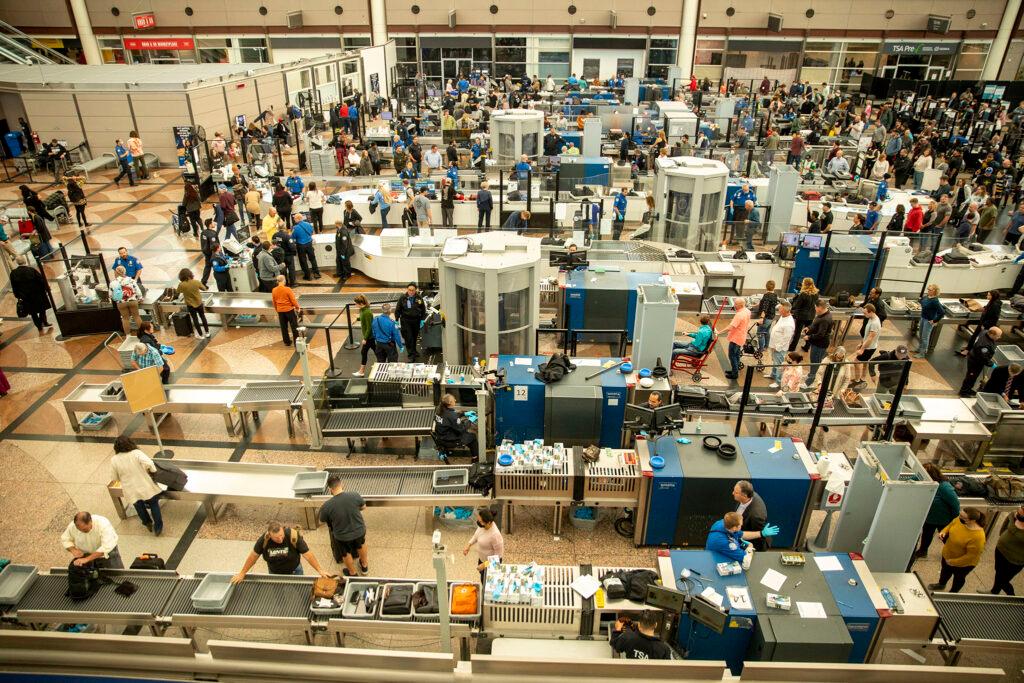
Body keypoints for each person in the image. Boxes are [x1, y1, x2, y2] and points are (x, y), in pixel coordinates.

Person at [232, 521, 330, 581]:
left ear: (283, 530)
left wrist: (320, 570)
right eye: (276, 538)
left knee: (301, 591)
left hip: (295, 571)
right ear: (269, 535)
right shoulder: (264, 540)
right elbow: (253, 556)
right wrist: (242, 573)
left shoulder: (292, 535)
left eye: (281, 536)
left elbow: (307, 554)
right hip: (274, 572)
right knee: (278, 593)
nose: (280, 539)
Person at [110, 436, 163, 536]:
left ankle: (147, 523)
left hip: (130, 489)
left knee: (139, 507)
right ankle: (158, 528)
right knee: (153, 504)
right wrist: (153, 471)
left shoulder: (114, 460)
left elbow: (114, 478)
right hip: (144, 485)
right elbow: (150, 464)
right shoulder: (136, 453)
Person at [319, 474, 369, 577]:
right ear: (342, 485)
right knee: (361, 544)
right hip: (359, 530)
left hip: (342, 536)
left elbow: (321, 521)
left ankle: (352, 573)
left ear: (330, 489)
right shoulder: (354, 495)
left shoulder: (327, 506)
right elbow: (363, 507)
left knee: (345, 553)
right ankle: (364, 566)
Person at [929, 507, 986, 593]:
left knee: (958, 578)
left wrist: (953, 562)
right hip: (948, 555)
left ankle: (953, 592)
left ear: (972, 520)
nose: (959, 518)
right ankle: (941, 584)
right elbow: (951, 524)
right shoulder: (960, 520)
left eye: (963, 517)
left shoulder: (978, 537)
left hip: (963, 564)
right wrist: (943, 532)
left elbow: (970, 556)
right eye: (960, 515)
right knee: (945, 572)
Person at [915, 463, 960, 560]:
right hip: (929, 517)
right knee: (926, 535)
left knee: (945, 537)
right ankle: (923, 551)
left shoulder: (944, 487)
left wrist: (955, 520)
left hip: (943, 519)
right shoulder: (924, 480)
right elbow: (915, 478)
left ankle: (952, 553)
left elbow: (955, 503)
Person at [985, 505, 1024, 595]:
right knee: (998, 572)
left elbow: (1015, 531)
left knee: (1003, 580)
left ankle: (1011, 596)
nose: (1020, 510)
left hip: (1014, 560)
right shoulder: (1014, 515)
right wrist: (1002, 535)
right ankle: (994, 591)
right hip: (1000, 550)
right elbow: (1005, 524)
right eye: (1022, 508)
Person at [10, 255, 51, 331]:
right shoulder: (31, 270)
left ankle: (39, 326)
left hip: (25, 297)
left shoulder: (13, 273)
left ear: (17, 263)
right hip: (37, 294)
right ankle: (44, 322)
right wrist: (46, 289)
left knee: (33, 312)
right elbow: (41, 281)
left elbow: (14, 286)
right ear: (24, 260)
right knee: (42, 309)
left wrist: (18, 296)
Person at [733, 480, 778, 551]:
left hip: (752, 543)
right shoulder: (749, 494)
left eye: (736, 493)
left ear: (744, 495)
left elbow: (758, 537)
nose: (733, 493)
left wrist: (749, 548)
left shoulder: (756, 515)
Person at [610, 611, 675, 660]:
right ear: (655, 625)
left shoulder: (627, 637)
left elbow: (614, 644)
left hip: (630, 674)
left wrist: (618, 629)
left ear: (638, 624)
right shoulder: (664, 649)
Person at [434, 393, 479, 461]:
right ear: (449, 402)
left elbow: (449, 417)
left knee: (466, 434)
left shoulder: (439, 409)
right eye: (453, 400)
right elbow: (461, 429)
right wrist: (470, 420)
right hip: (449, 440)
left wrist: (464, 413)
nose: (455, 400)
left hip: (440, 437)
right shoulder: (452, 415)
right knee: (472, 437)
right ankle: (475, 459)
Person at [463, 507, 503, 581]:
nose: (478, 523)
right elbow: (476, 536)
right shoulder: (482, 526)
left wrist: (485, 565)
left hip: (491, 564)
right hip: (482, 559)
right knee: (482, 578)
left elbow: (498, 557)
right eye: (478, 520)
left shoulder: (495, 536)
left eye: (480, 521)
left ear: (489, 523)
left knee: (488, 582)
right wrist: (468, 545)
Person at [960, 327, 1002, 397]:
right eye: (998, 336)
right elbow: (983, 358)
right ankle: (964, 391)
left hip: (977, 360)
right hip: (975, 362)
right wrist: (991, 364)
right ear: (991, 334)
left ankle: (968, 389)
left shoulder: (985, 332)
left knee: (974, 377)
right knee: (970, 377)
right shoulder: (984, 345)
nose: (999, 337)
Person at [958, 290, 1001, 357]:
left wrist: (984, 325)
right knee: (974, 336)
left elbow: (994, 318)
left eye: (989, 295)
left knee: (976, 337)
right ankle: (968, 348)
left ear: (993, 296)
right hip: (983, 322)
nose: (987, 296)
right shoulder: (992, 302)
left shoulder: (995, 305)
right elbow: (987, 308)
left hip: (985, 324)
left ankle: (968, 350)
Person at [802, 299, 833, 388]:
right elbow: (815, 324)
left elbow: (820, 334)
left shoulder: (825, 319)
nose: (815, 309)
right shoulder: (821, 315)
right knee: (813, 360)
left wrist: (809, 337)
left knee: (815, 362)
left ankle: (809, 382)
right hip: (816, 343)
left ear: (820, 308)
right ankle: (810, 375)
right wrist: (809, 327)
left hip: (820, 345)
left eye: (815, 307)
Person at [395, 283, 427, 362]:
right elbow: (398, 309)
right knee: (408, 338)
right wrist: (396, 320)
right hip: (406, 321)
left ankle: (414, 351)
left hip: (416, 321)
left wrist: (422, 319)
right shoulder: (403, 298)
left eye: (413, 290)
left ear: (415, 290)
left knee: (414, 337)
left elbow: (423, 309)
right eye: (409, 290)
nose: (411, 292)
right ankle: (411, 355)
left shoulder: (419, 298)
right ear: (407, 289)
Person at [850, 303, 881, 387]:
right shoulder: (871, 318)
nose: (864, 315)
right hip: (869, 346)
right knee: (865, 362)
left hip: (869, 348)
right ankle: (863, 378)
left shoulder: (875, 323)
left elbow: (870, 338)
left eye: (865, 313)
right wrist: (861, 342)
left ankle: (857, 380)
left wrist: (862, 349)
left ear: (871, 312)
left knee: (856, 362)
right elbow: (867, 335)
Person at [766, 302, 795, 388]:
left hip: (779, 348)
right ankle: (773, 374)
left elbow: (786, 339)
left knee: (779, 364)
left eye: (780, 309)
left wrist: (777, 347)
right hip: (774, 345)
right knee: (775, 362)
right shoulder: (783, 317)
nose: (778, 310)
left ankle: (778, 381)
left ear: (785, 311)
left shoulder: (789, 324)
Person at [177, 268, 210, 339]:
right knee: (203, 317)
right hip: (199, 303)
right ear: (190, 274)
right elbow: (204, 289)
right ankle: (207, 332)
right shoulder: (196, 282)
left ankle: (200, 335)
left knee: (195, 319)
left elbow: (178, 291)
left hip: (190, 305)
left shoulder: (181, 285)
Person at [723, 297, 750, 380]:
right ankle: (735, 370)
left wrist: (719, 332)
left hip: (736, 338)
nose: (734, 305)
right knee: (737, 355)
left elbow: (730, 327)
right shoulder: (747, 311)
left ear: (741, 305)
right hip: (741, 336)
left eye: (736, 304)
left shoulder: (739, 315)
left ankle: (734, 374)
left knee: (732, 356)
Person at [113, 265, 143, 336]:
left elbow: (111, 295)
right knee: (136, 316)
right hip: (132, 301)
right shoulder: (131, 280)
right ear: (125, 271)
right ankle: (143, 333)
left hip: (121, 303)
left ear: (116, 273)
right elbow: (138, 291)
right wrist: (140, 298)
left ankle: (128, 335)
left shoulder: (113, 283)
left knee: (125, 318)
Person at [272, 275, 301, 347]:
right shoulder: (287, 289)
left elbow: (274, 301)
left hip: (280, 311)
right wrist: (297, 307)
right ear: (284, 280)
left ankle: (287, 342)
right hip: (289, 310)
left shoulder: (274, 290)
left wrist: (277, 309)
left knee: (283, 327)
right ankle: (296, 343)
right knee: (294, 327)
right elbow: (293, 300)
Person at [790, 278, 818, 351]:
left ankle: (792, 347)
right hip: (811, 315)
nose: (802, 284)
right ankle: (807, 347)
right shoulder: (816, 293)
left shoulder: (803, 294)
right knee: (808, 331)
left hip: (801, 316)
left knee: (797, 332)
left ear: (805, 284)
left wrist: (795, 299)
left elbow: (796, 306)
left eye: (803, 282)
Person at [916, 284, 944, 358]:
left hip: (928, 321)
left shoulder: (935, 301)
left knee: (925, 337)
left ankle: (922, 353)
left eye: (930, 290)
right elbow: (922, 301)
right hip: (923, 318)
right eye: (928, 289)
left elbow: (942, 312)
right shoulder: (927, 297)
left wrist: (934, 321)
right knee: (921, 334)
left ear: (935, 291)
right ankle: (919, 348)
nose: (928, 291)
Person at [291, 213, 321, 280]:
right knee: (312, 259)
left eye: (294, 218)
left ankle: (307, 276)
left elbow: (293, 237)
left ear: (298, 219)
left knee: (303, 261)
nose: (294, 219)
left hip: (301, 245)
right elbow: (311, 232)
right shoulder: (308, 224)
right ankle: (316, 273)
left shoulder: (295, 228)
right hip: (309, 243)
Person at [352, 294, 375, 377]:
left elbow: (370, 327)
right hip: (369, 336)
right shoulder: (362, 310)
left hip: (369, 336)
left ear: (361, 303)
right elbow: (363, 318)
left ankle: (361, 371)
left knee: (364, 352)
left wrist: (365, 338)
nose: (355, 305)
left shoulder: (367, 312)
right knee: (377, 351)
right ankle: (380, 363)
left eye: (356, 303)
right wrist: (357, 319)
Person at [754, 281, 778, 352]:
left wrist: (761, 318)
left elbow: (765, 308)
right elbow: (766, 303)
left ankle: (760, 349)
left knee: (760, 333)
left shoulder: (767, 295)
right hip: (771, 317)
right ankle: (766, 346)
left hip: (766, 318)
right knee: (767, 332)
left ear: (766, 286)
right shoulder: (774, 295)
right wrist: (757, 304)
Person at [272, 220, 297, 286]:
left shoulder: (275, 235)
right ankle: (293, 283)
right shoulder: (287, 236)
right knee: (291, 269)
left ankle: (285, 283)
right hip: (288, 255)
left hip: (279, 256)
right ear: (284, 227)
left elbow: (274, 244)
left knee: (283, 270)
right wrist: (294, 253)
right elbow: (292, 246)